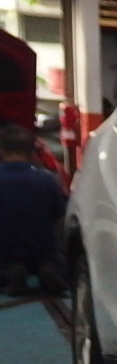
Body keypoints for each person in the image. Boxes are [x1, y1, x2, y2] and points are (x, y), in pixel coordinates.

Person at [0, 124, 67, 296]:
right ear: (32, 152)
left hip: (5, 251)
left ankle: (11, 270)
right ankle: (48, 268)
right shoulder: (47, 180)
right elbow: (60, 219)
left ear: (2, 151)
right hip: (42, 249)